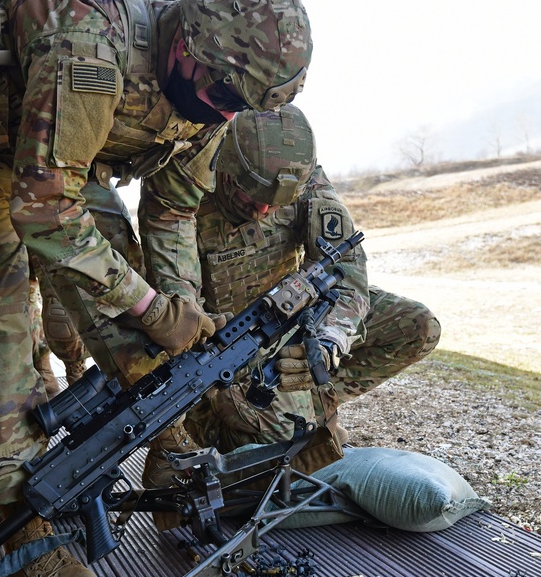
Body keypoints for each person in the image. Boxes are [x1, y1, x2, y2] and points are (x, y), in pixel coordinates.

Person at [0, 0, 312, 577]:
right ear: (185, 44)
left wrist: (176, 317)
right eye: (223, 94)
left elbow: (172, 214)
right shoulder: (86, 37)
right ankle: (24, 530)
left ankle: (166, 445)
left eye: (240, 104)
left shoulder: (219, 93)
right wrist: (149, 307)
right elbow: (43, 208)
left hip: (66, 155)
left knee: (129, 289)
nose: (226, 113)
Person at [183, 104, 441, 472]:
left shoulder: (299, 174)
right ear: (227, 167)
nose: (263, 210)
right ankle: (274, 420)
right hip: (233, 343)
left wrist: (329, 340)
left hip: (300, 314)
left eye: (276, 202)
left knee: (419, 326)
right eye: (251, 197)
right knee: (279, 450)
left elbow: (345, 266)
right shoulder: (187, 192)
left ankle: (314, 403)